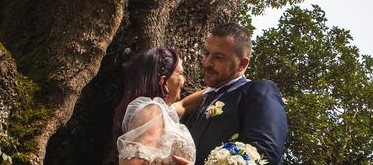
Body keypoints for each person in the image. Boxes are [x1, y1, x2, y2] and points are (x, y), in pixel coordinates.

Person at [183, 23, 288, 165]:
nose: (207, 63)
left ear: (242, 64)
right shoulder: (199, 105)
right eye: (206, 54)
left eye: (219, 58)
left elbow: (265, 152)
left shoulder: (257, 91)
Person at [112, 47, 204, 165]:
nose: (184, 80)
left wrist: (221, 86)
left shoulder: (160, 112)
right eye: (181, 73)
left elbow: (185, 105)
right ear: (163, 81)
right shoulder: (153, 111)